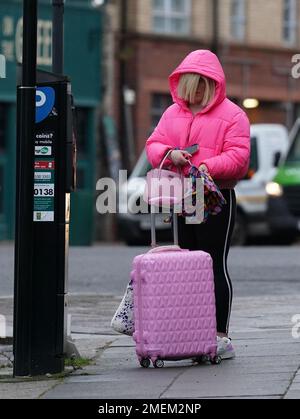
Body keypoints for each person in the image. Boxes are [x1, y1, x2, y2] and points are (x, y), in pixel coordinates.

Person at [145, 49, 250, 360]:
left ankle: (220, 335)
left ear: (211, 84)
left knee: (213, 262)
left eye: (199, 88)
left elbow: (240, 158)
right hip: (180, 195)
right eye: (188, 89)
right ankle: (190, 332)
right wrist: (169, 152)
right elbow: (153, 145)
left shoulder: (233, 115)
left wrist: (210, 167)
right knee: (184, 265)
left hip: (214, 196)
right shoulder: (171, 114)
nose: (193, 96)